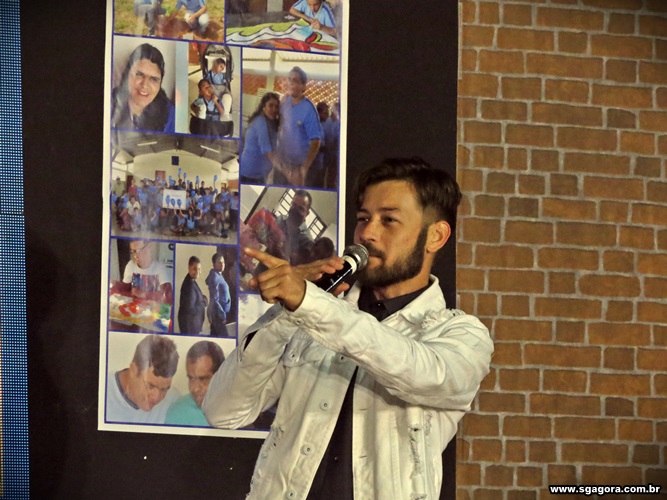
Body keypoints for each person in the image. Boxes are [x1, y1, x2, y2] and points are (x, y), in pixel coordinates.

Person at [203, 158, 493, 499]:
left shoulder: (461, 334)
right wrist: (286, 312)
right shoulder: (313, 312)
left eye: (389, 220)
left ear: (436, 236)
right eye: (363, 218)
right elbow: (223, 412)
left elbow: (420, 371)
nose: (367, 233)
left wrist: (310, 303)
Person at [106, 334, 179, 424]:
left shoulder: (174, 401)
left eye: (164, 389)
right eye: (150, 386)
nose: (156, 397)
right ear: (133, 371)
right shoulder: (101, 390)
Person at [112, 43, 175, 133]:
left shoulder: (170, 115)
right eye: (139, 74)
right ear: (127, 74)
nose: (145, 85)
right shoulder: (109, 103)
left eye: (153, 79)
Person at [276, 67, 322, 187]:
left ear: (303, 86)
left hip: (298, 167)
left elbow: (316, 141)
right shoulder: (284, 102)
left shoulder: (309, 109)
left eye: (295, 80)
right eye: (289, 79)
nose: (291, 83)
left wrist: (304, 168)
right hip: (282, 162)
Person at [165, 341, 224, 426]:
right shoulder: (177, 413)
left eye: (203, 379)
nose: (195, 388)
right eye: (191, 378)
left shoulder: (239, 411)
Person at [239, 92, 280, 184]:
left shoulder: (272, 123)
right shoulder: (260, 122)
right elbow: (267, 149)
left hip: (261, 173)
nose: (274, 109)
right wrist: (285, 171)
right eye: (270, 105)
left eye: (276, 106)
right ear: (263, 107)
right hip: (249, 172)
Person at [178, 256, 208, 334]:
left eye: (199, 269)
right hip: (190, 327)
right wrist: (203, 303)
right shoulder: (189, 285)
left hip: (192, 326)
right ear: (189, 268)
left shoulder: (192, 281)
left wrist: (202, 298)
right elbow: (190, 309)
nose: (197, 272)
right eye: (194, 268)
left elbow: (194, 298)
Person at [205, 253, 231, 337]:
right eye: (219, 262)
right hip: (218, 314)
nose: (222, 264)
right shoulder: (215, 277)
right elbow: (214, 299)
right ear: (214, 264)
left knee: (214, 336)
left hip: (217, 314)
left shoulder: (219, 275)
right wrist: (222, 315)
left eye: (223, 262)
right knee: (224, 337)